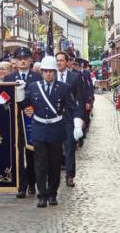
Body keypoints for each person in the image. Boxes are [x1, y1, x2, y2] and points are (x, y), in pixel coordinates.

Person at [16, 56, 83, 208]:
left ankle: (52, 193)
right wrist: (19, 91)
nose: (48, 74)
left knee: (54, 165)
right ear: (42, 72)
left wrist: (77, 124)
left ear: (55, 72)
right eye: (45, 71)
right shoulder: (33, 87)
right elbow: (22, 105)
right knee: (40, 164)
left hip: (56, 129)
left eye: (51, 71)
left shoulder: (64, 88)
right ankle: (42, 195)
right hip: (39, 129)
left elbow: (73, 108)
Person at [4, 47, 42, 198]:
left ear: (30, 60)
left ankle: (32, 182)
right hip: (15, 120)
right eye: (19, 59)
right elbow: (4, 99)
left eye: (25, 58)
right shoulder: (8, 78)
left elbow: (41, 97)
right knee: (18, 153)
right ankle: (21, 185)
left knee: (32, 152)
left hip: (32, 119)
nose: (22, 61)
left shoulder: (37, 77)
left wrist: (32, 107)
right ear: (15, 61)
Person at [56, 52, 84, 187]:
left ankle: (70, 175)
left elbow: (79, 99)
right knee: (54, 147)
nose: (59, 63)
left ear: (67, 62)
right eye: (57, 60)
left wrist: (79, 119)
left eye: (62, 60)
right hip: (54, 117)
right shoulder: (51, 76)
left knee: (70, 146)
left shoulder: (74, 77)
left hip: (69, 117)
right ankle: (54, 173)